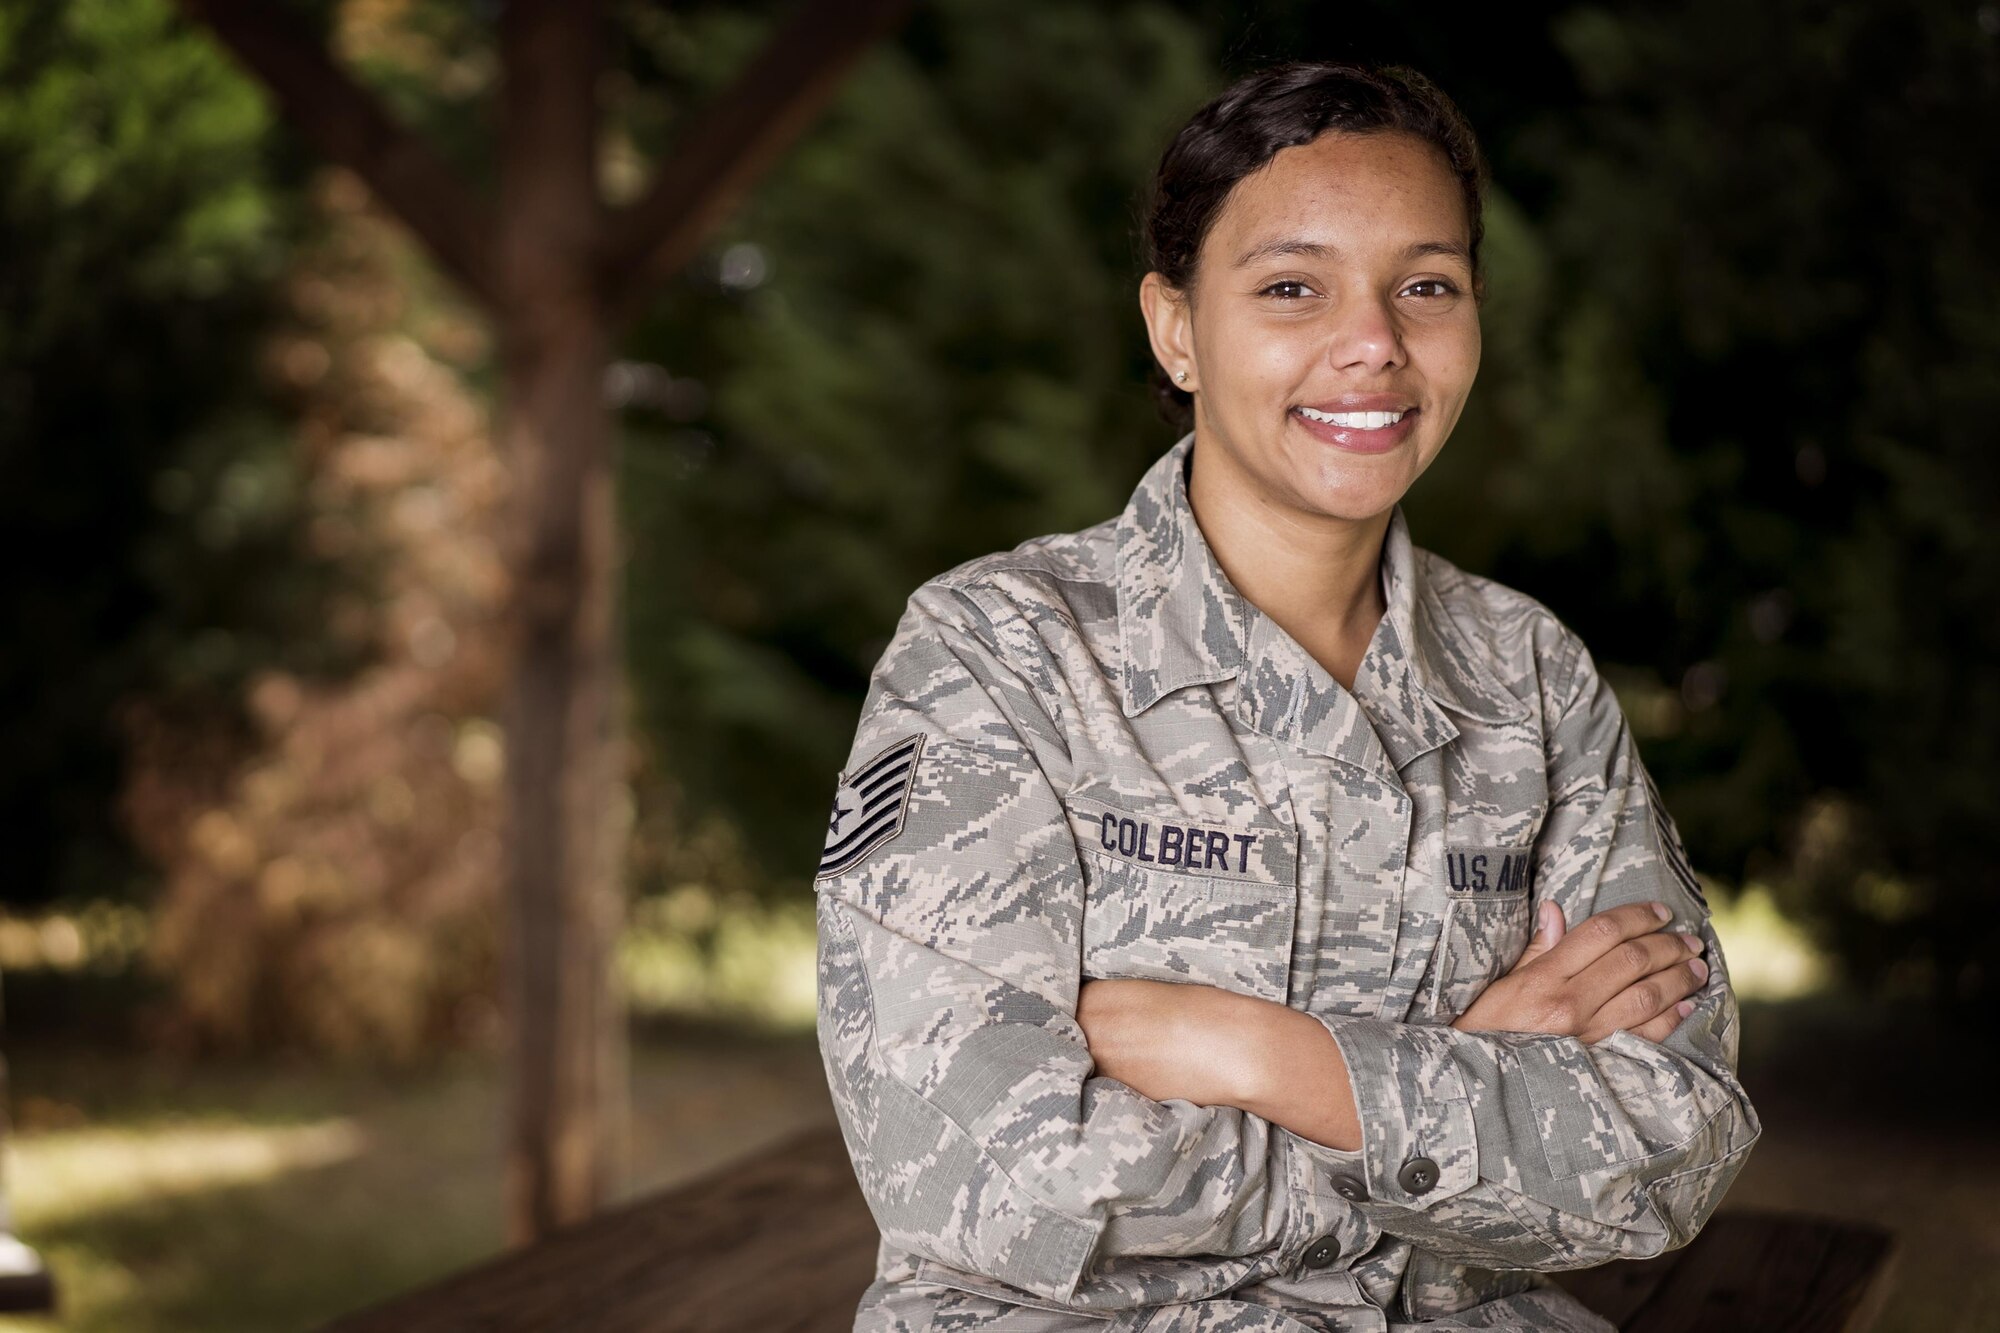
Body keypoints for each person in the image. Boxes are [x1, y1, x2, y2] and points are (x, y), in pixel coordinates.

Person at [813, 59, 1759, 1333]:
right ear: (1175, 328)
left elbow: (1672, 1145)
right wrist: (1465, 1082)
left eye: (1425, 286)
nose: (1371, 342)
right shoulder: (998, 656)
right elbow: (984, 1178)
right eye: (1290, 287)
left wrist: (1269, 1058)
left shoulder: (1528, 675)